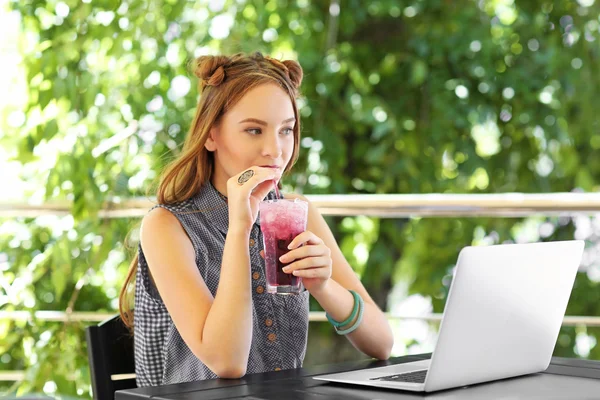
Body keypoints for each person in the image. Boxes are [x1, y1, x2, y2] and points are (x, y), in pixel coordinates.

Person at [119, 52, 394, 387]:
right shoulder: (167, 226)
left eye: (286, 130)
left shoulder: (296, 212)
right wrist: (239, 229)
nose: (275, 150)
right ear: (211, 135)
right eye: (254, 130)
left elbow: (382, 343)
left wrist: (323, 286)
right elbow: (227, 362)